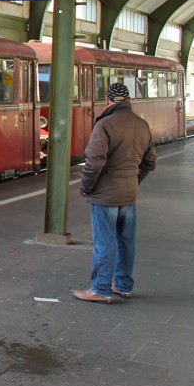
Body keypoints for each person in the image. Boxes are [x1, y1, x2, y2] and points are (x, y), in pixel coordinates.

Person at [73, 82, 156, 304]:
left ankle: (100, 289)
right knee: (126, 241)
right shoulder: (142, 125)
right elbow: (150, 162)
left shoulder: (105, 125)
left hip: (105, 195)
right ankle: (123, 285)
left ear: (108, 102)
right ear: (129, 101)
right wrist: (133, 179)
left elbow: (94, 163)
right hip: (129, 192)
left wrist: (86, 187)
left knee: (104, 242)